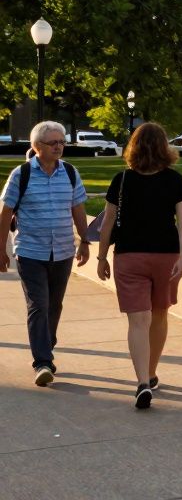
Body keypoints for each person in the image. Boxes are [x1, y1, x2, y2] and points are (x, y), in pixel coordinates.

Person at [95, 122, 182, 409]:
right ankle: (150, 374)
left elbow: (107, 224)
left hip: (129, 256)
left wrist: (101, 257)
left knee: (138, 321)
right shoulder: (175, 180)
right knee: (160, 315)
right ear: (165, 146)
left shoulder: (121, 180)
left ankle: (140, 382)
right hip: (166, 256)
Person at [0, 121, 91, 386]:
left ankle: (45, 343)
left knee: (54, 305)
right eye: (53, 143)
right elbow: (5, 214)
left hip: (62, 251)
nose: (59, 146)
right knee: (38, 305)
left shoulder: (71, 173)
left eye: (62, 141)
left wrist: (84, 242)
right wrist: (1, 250)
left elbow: (78, 210)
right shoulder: (22, 174)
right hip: (30, 251)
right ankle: (42, 361)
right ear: (37, 147)